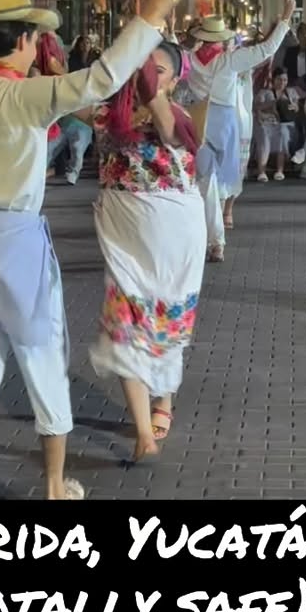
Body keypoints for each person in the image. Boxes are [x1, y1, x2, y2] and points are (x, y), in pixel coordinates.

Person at [0, 0, 176, 502]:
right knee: (44, 358)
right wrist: (153, 13)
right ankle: (53, 484)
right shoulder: (22, 96)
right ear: (25, 40)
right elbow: (102, 77)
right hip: (14, 240)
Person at [82, 40, 205, 461]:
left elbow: (167, 128)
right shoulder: (110, 116)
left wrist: (151, 91)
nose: (145, 76)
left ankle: (163, 400)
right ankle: (142, 431)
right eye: (140, 68)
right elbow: (65, 99)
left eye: (158, 70)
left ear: (174, 81)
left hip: (173, 239)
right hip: (124, 239)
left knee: (164, 324)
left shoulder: (178, 117)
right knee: (124, 326)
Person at [184, 0, 295, 260]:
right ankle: (216, 240)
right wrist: (285, 18)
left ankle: (212, 239)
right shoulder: (229, 60)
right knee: (215, 182)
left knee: (205, 181)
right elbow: (267, 49)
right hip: (224, 124)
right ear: (221, 39)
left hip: (198, 121)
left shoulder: (189, 59)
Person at [253, 67, 299, 181]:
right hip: (267, 122)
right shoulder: (264, 92)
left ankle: (280, 170)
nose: (282, 82)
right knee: (264, 134)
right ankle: (261, 171)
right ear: (273, 80)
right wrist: (272, 103)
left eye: (285, 80)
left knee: (282, 133)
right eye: (279, 79)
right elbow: (256, 107)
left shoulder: (291, 92)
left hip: (285, 123)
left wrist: (294, 107)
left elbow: (297, 108)